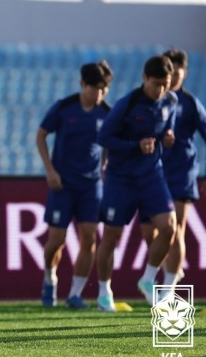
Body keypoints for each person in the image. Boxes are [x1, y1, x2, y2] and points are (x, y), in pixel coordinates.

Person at [95, 55, 177, 311]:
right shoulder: (127, 104)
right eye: (156, 84)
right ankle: (103, 292)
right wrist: (134, 146)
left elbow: (165, 131)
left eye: (165, 83)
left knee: (169, 228)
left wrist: (167, 138)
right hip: (122, 180)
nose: (161, 89)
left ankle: (148, 278)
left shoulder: (170, 102)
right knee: (111, 237)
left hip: (152, 175)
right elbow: (104, 136)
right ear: (144, 79)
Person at [36, 61, 113, 309]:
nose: (99, 94)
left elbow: (111, 142)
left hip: (91, 185)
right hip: (63, 183)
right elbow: (41, 136)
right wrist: (50, 171)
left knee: (90, 238)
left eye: (103, 89)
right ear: (82, 84)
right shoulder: (64, 107)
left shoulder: (106, 113)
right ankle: (50, 276)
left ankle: (75, 294)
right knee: (57, 239)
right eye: (95, 88)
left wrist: (105, 164)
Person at [139, 49, 206, 295]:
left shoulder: (190, 103)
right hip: (153, 172)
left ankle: (167, 289)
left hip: (181, 172)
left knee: (176, 227)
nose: (174, 77)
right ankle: (168, 271)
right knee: (150, 232)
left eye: (178, 72)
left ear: (184, 73)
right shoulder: (151, 102)